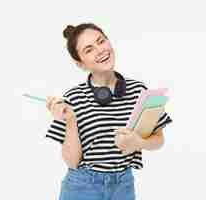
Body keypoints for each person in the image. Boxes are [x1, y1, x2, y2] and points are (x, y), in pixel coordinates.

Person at [45, 23, 173, 200]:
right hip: (82, 187)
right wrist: (71, 120)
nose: (100, 50)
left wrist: (138, 142)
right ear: (80, 64)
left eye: (101, 41)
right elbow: (72, 162)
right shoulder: (72, 98)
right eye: (89, 49)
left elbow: (159, 140)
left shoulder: (140, 91)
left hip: (123, 186)